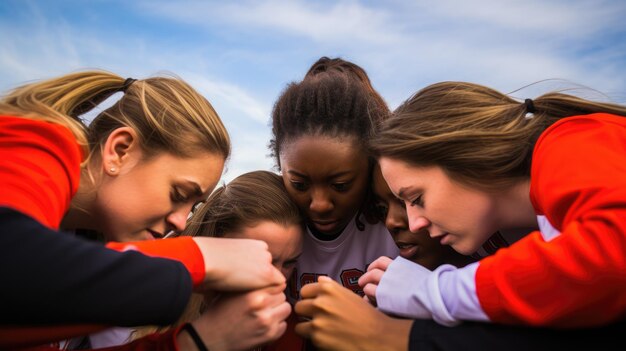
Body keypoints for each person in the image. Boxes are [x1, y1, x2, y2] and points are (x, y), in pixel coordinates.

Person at [0, 70, 286, 349]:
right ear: (120, 151)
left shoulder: (87, 241)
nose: (181, 222)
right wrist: (200, 258)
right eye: (179, 194)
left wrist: (199, 340)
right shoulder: (32, 145)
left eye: (192, 206)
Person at [360, 81, 626, 328]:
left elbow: (610, 261)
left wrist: (432, 292)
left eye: (417, 199)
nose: (415, 223)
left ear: (466, 156)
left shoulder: (573, 142)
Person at [87, 170, 302, 350]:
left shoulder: (289, 330)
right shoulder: (136, 305)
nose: (277, 279)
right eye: (262, 259)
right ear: (216, 241)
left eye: (290, 263)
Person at [270, 57, 399, 300]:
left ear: (371, 166)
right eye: (299, 184)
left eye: (340, 185)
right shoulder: (267, 224)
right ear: (280, 165)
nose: (319, 204)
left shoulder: (400, 227)